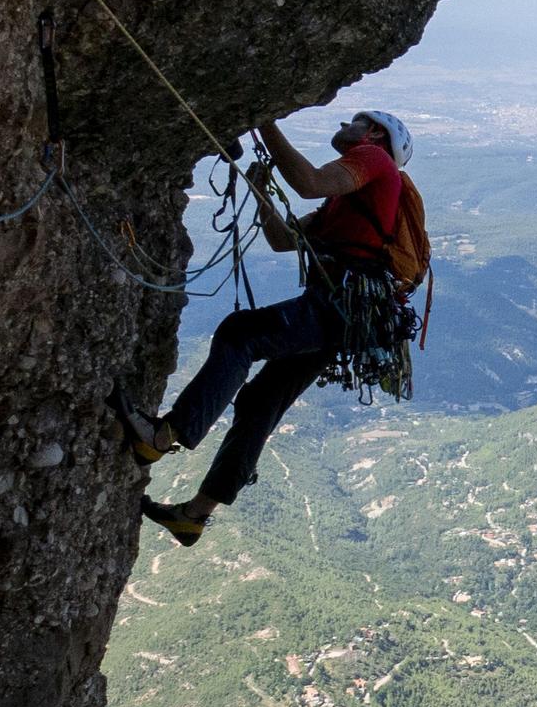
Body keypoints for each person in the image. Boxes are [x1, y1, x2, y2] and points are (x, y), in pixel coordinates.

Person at [111, 110, 414, 546]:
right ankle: (194, 515)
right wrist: (260, 192)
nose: (345, 123)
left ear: (375, 133)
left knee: (241, 333)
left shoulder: (374, 159)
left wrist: (264, 121)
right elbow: (282, 239)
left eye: (356, 120)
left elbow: (308, 181)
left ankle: (162, 436)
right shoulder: (343, 204)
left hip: (337, 305)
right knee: (259, 404)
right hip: (346, 314)